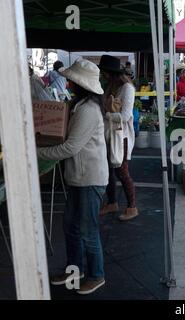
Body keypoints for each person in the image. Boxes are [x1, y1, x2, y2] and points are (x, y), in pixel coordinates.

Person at [36, 59, 109, 294]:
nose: (68, 82)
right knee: (72, 227)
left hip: (89, 179)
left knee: (87, 231)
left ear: (80, 84)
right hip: (79, 177)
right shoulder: (80, 105)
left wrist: (36, 151)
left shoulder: (88, 110)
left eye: (71, 80)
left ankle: (96, 275)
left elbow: (70, 147)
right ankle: (74, 271)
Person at [98, 55, 138, 221]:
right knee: (109, 171)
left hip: (122, 136)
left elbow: (126, 115)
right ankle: (112, 203)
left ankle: (132, 207)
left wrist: (105, 115)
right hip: (109, 135)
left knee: (122, 172)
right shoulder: (111, 86)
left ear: (111, 73)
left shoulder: (127, 88)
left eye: (104, 72)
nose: (102, 75)